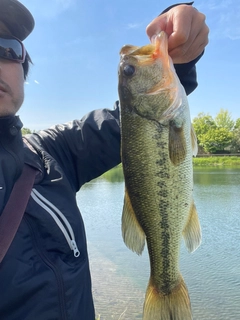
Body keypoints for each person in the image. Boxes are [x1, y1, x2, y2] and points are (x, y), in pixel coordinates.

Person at [0, 0, 209, 319]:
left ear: (24, 67)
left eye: (7, 48)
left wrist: (178, 54)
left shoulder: (50, 153)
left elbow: (127, 120)